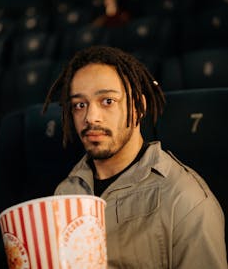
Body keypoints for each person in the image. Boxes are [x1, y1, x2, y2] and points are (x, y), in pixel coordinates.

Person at [43, 45, 227, 268]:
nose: (91, 117)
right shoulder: (64, 194)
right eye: (80, 105)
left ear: (139, 107)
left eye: (108, 101)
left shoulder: (186, 201)